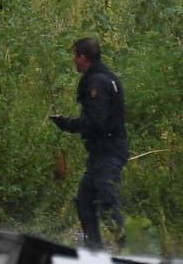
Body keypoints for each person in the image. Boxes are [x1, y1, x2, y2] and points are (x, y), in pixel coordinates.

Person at [50, 37, 129, 251]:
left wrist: (67, 124)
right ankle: (94, 252)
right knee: (85, 202)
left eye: (74, 56)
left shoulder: (98, 82)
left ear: (82, 57)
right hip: (101, 153)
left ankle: (127, 249)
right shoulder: (105, 77)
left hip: (108, 152)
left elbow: (96, 121)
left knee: (107, 200)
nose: (73, 61)